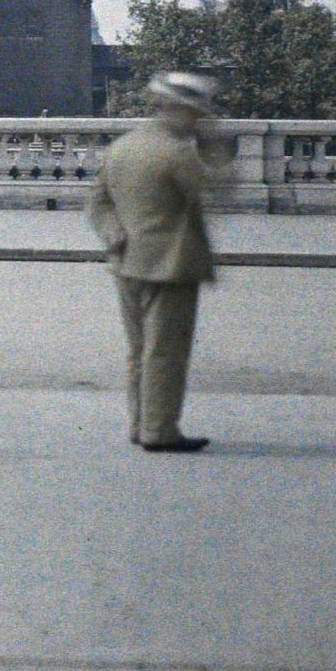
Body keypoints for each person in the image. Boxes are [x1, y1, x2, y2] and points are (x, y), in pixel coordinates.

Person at [85, 71, 222, 453]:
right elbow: (213, 192)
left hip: (126, 260)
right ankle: (159, 431)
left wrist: (115, 234)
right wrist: (215, 150)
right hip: (170, 265)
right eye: (196, 113)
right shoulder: (176, 153)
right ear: (178, 110)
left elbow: (97, 203)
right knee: (165, 352)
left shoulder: (123, 146)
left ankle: (140, 423)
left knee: (139, 350)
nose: (197, 120)